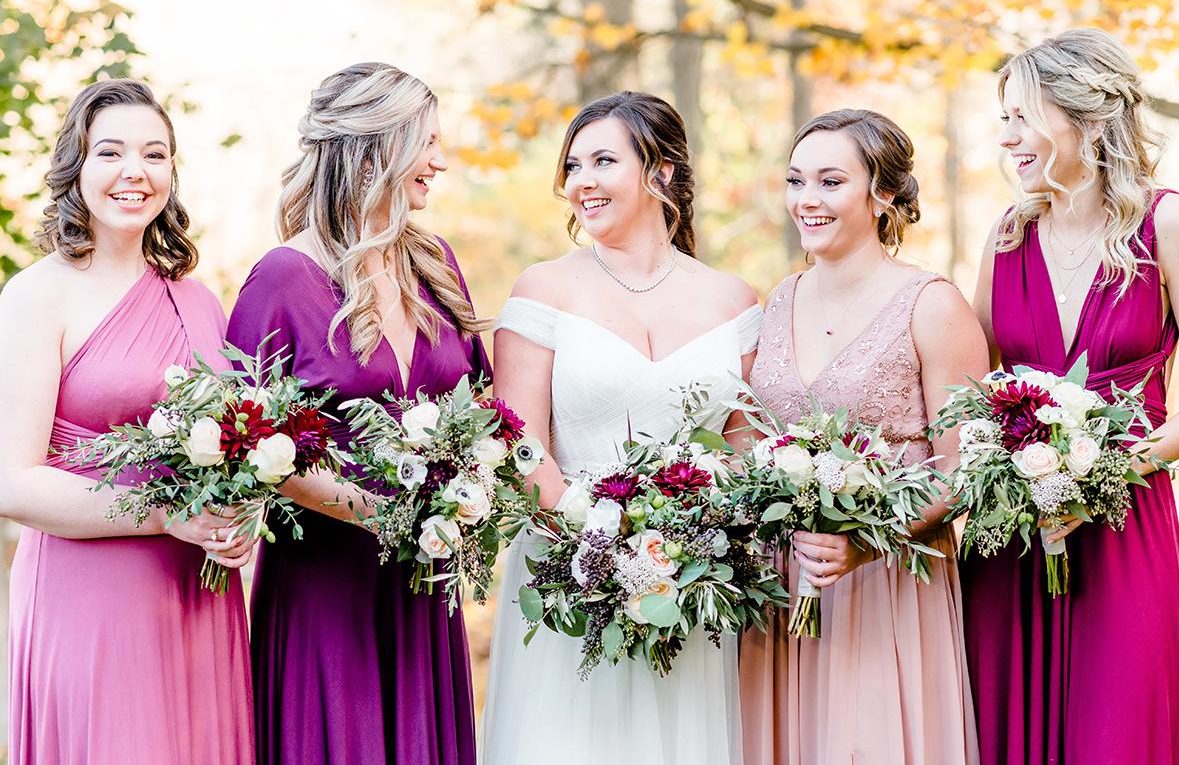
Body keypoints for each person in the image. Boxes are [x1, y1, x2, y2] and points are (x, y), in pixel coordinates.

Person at [481, 91, 761, 764]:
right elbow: (522, 442)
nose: (581, 182)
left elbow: (748, 445)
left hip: (691, 577)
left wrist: (688, 547)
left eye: (602, 161)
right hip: (570, 570)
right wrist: (602, 548)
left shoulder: (735, 299)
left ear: (660, 171)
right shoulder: (543, 289)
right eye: (573, 167)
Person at [225, 63, 489, 765]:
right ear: (370, 148)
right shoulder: (282, 278)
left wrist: (469, 497)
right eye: (424, 141)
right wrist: (388, 516)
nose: (439, 160)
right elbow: (251, 446)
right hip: (325, 590)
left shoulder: (435, 265)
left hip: (423, 591)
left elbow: (483, 416)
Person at [963, 28, 1179, 764]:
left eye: (1022, 117)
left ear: (1089, 120)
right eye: (1003, 119)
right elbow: (968, 400)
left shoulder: (1170, 224)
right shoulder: (1005, 237)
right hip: (1012, 541)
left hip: (1125, 528)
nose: (1007, 139)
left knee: (1119, 731)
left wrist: (1101, 476)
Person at [0, 78, 255, 763]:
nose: (134, 173)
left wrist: (240, 521)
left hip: (200, 597)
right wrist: (164, 517)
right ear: (76, 166)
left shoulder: (200, 299)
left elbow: (237, 448)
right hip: (90, 600)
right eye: (110, 153)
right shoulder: (34, 297)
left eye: (155, 154)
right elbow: (12, 485)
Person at [738, 108, 985, 764]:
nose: (806, 201)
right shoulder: (780, 300)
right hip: (784, 583)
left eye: (829, 182)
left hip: (888, 585)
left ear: (882, 194)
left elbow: (965, 469)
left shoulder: (933, 305)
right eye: (796, 181)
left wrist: (865, 544)